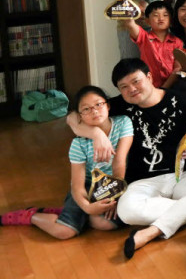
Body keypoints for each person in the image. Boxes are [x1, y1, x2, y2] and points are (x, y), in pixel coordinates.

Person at [67, 59, 186, 259]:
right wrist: (96, 134)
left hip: (181, 175)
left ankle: (151, 232)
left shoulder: (181, 101)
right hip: (142, 182)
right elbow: (72, 118)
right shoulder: (120, 106)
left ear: (149, 77)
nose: (131, 89)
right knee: (126, 210)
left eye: (136, 81)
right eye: (124, 87)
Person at [0, 86, 133, 239]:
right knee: (65, 232)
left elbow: (119, 162)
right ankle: (30, 216)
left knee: (104, 224)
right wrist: (87, 207)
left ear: (107, 105)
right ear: (79, 116)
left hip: (113, 184)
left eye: (98, 104)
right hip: (88, 185)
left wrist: (114, 195)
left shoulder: (123, 123)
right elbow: (77, 186)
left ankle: (69, 214)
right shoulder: (78, 144)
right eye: (86, 109)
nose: (95, 111)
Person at [119, 0, 183, 89]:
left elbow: (177, 69)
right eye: (156, 15)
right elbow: (130, 23)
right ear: (147, 21)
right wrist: (126, 0)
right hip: (149, 87)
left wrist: (163, 89)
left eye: (165, 15)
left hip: (171, 87)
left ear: (171, 20)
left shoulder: (177, 42)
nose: (161, 18)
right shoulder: (143, 37)